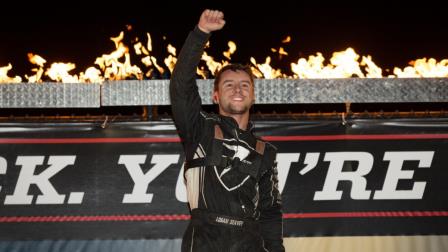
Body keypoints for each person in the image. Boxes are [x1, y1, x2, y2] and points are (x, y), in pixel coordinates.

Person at [170, 9, 284, 252]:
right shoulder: (199, 129)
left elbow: (271, 212)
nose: (238, 89)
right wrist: (200, 34)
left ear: (253, 96)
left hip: (250, 241)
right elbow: (181, 87)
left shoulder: (266, 152)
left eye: (245, 85)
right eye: (229, 85)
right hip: (204, 239)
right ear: (215, 95)